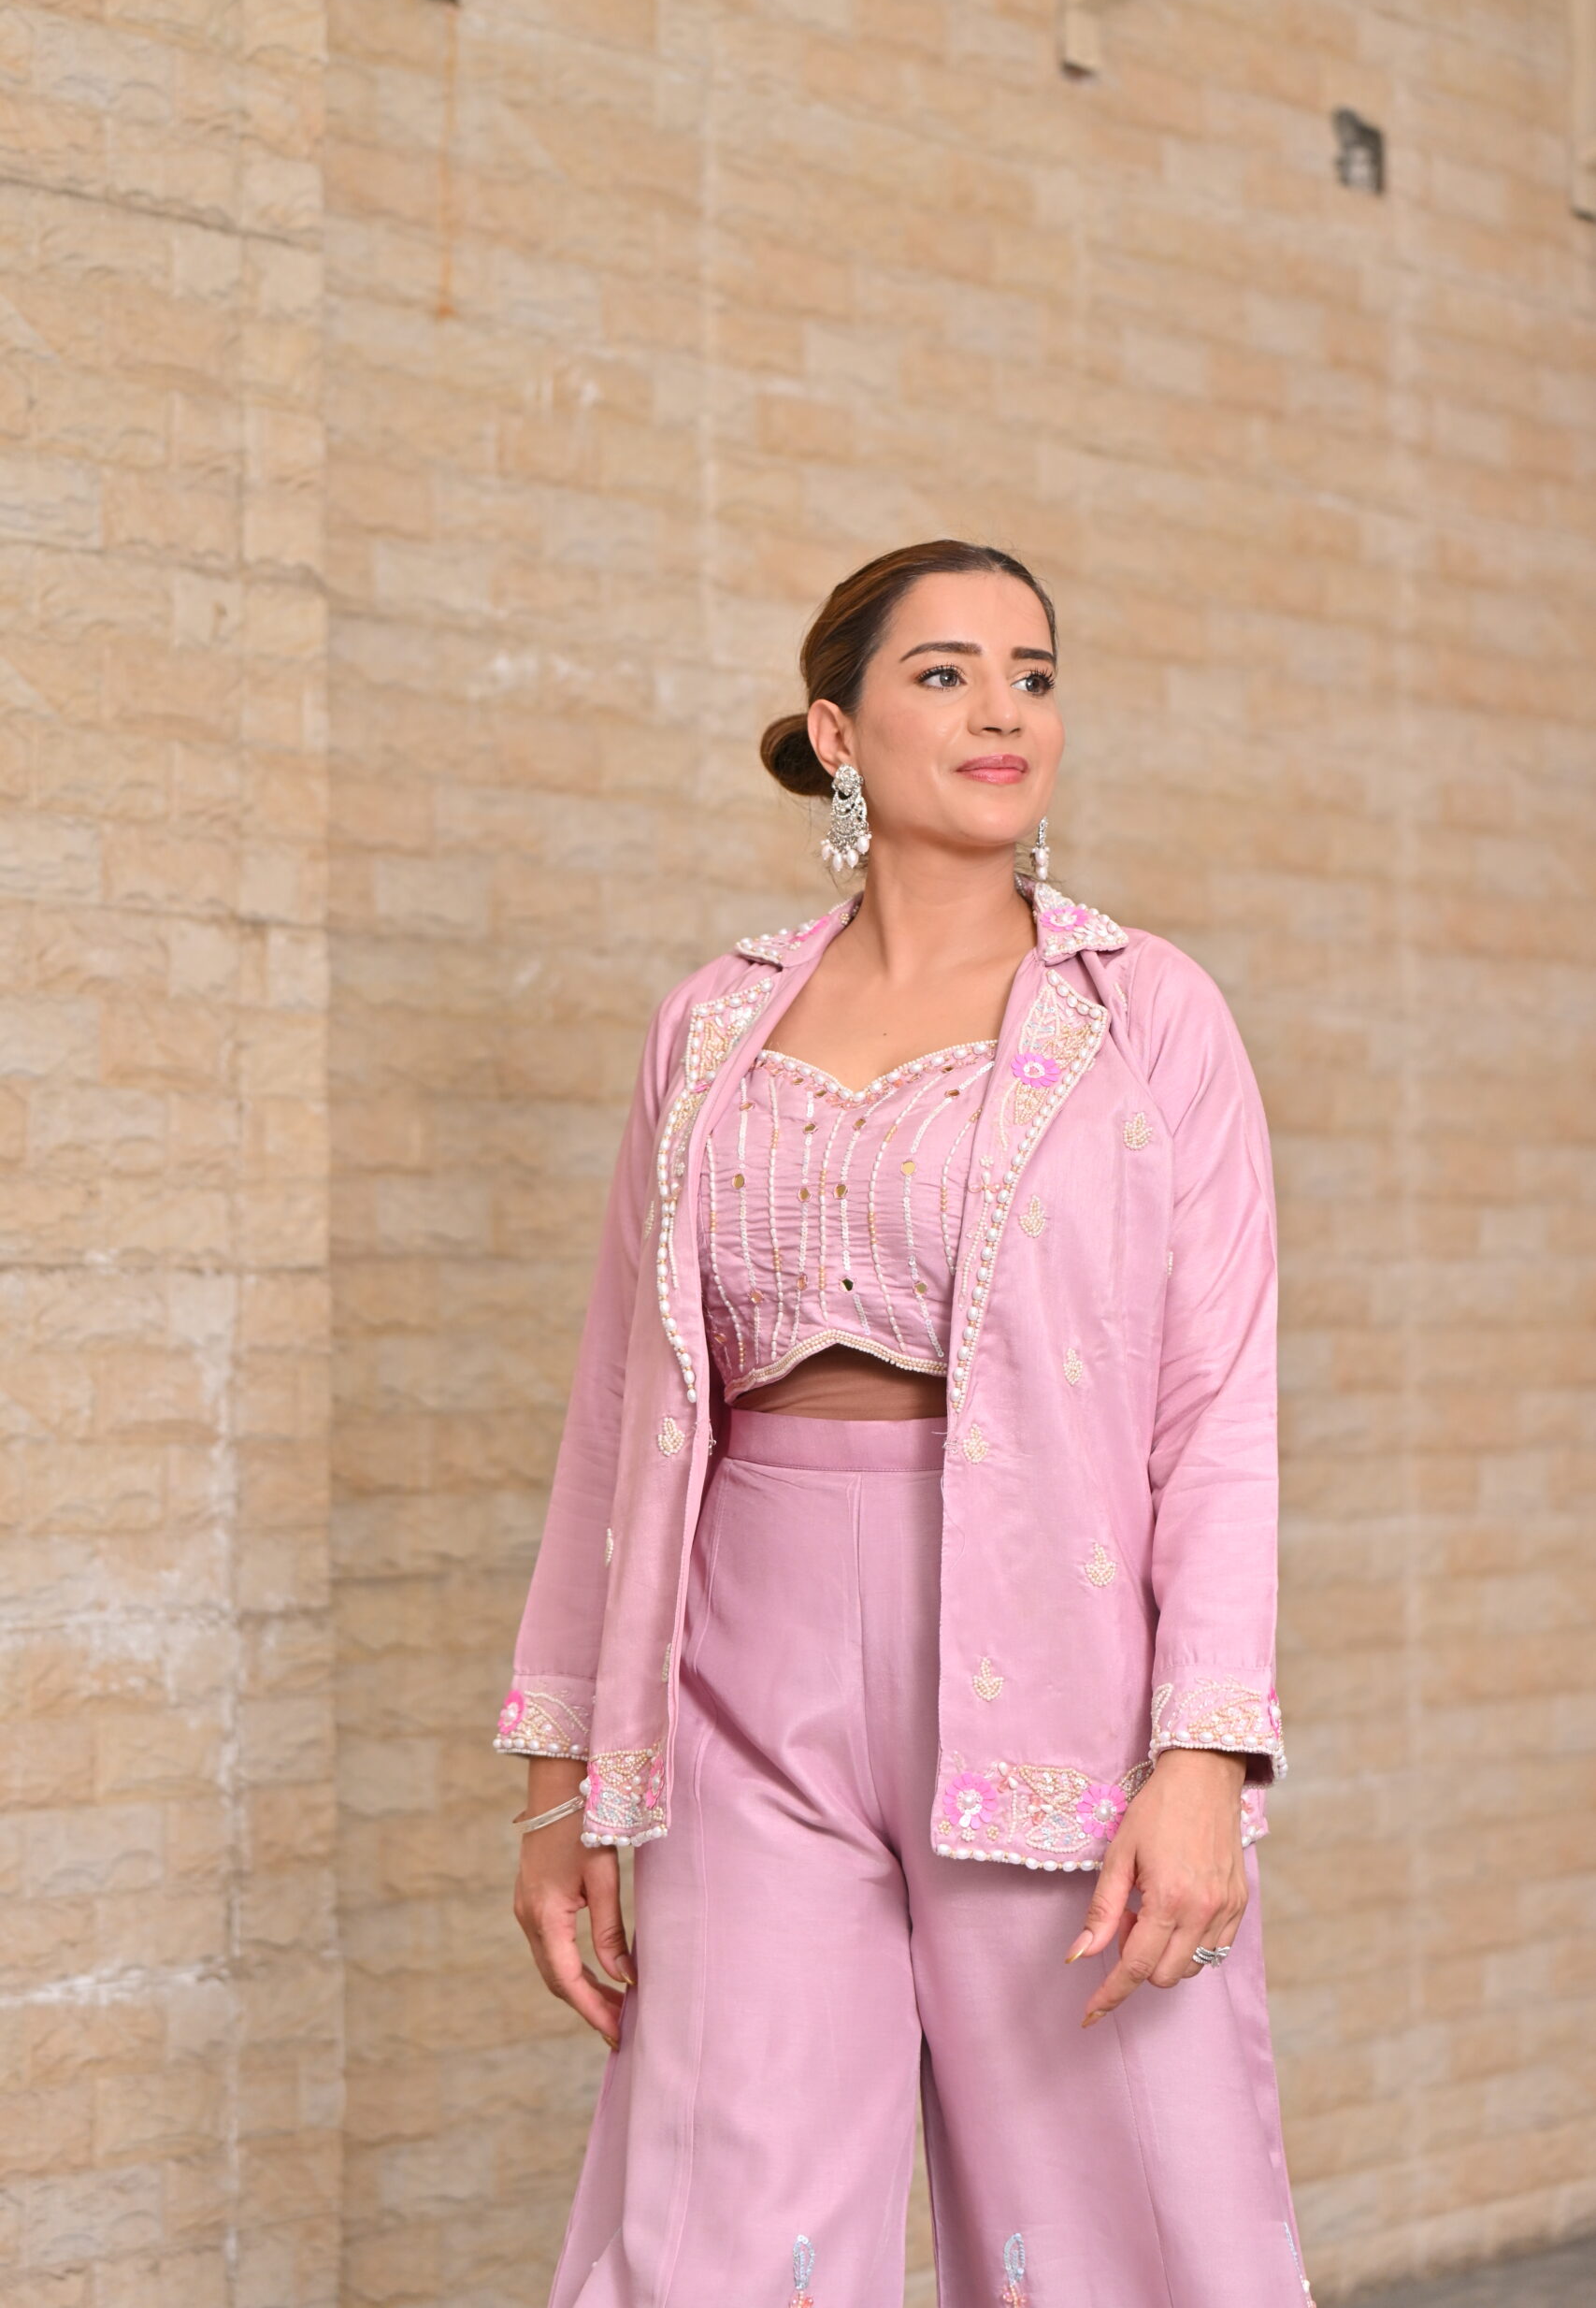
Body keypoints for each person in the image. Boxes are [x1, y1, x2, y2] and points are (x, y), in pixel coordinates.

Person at [497, 540, 1314, 2308]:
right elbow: (619, 1411)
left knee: (1116, 2238)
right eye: (943, 673)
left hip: (1060, 1673)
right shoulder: (711, 1027)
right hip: (742, 1679)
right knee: (723, 2237)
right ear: (837, 733)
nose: (1002, 708)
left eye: (1033, 672)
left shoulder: (1144, 1017)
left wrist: (1202, 1755)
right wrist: (561, 1786)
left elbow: (1217, 1406)